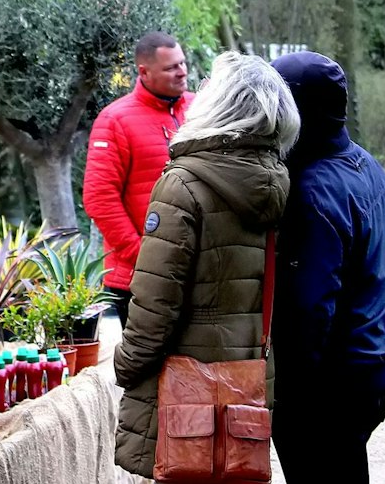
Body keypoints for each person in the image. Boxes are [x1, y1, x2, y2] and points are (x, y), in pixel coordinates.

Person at [113, 52, 299, 480]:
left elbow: (154, 307)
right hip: (247, 384)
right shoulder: (279, 183)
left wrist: (126, 367)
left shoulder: (183, 184)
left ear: (217, 105)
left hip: (185, 393)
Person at [269, 51, 385, 484]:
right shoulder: (367, 165)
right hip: (374, 359)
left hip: (331, 381)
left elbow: (309, 308)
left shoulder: (311, 190)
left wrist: (288, 393)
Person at [84, 31, 192, 321]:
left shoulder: (201, 108)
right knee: (146, 365)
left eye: (183, 63)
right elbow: (99, 198)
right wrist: (144, 256)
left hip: (193, 274)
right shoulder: (115, 120)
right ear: (144, 71)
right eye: (171, 67)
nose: (182, 72)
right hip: (138, 280)